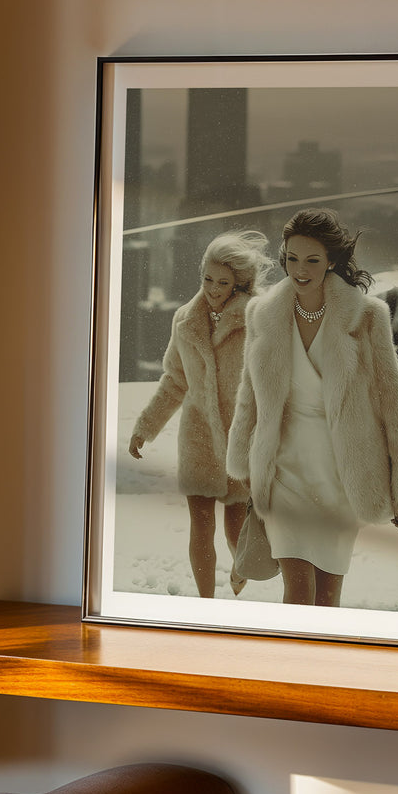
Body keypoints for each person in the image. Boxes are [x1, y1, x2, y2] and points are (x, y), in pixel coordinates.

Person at [226, 209, 398, 607]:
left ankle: (321, 666)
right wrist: (242, 460)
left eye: (312, 260)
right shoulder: (262, 315)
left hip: (344, 474)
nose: (299, 270)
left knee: (327, 596)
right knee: (297, 589)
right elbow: (249, 395)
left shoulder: (368, 316)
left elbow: (393, 399)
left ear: (333, 262)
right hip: (285, 471)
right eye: (291, 258)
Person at [129, 230, 273, 598]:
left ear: (239, 283)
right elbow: (175, 380)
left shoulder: (256, 319)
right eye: (207, 279)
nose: (212, 288)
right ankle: (205, 602)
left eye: (222, 282)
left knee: (236, 525)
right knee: (201, 523)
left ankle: (241, 571)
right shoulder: (184, 320)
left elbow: (270, 381)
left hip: (241, 436)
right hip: (197, 437)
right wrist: (146, 427)